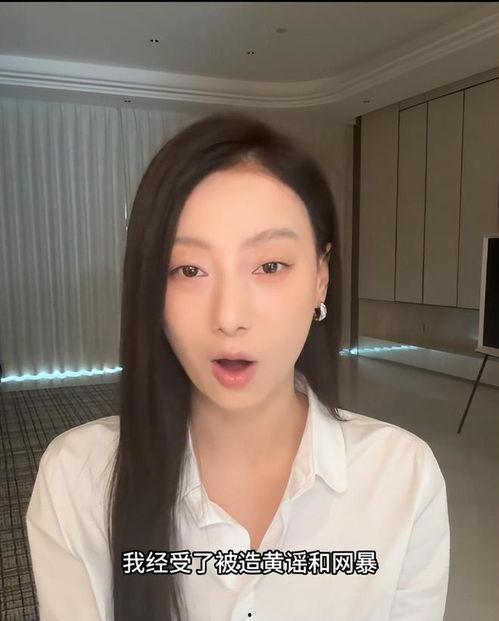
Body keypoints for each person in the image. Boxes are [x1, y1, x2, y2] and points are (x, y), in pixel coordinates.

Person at [26, 111, 450, 621]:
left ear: (320, 277)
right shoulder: (79, 480)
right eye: (188, 270)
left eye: (269, 266)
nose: (228, 318)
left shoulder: (402, 476)